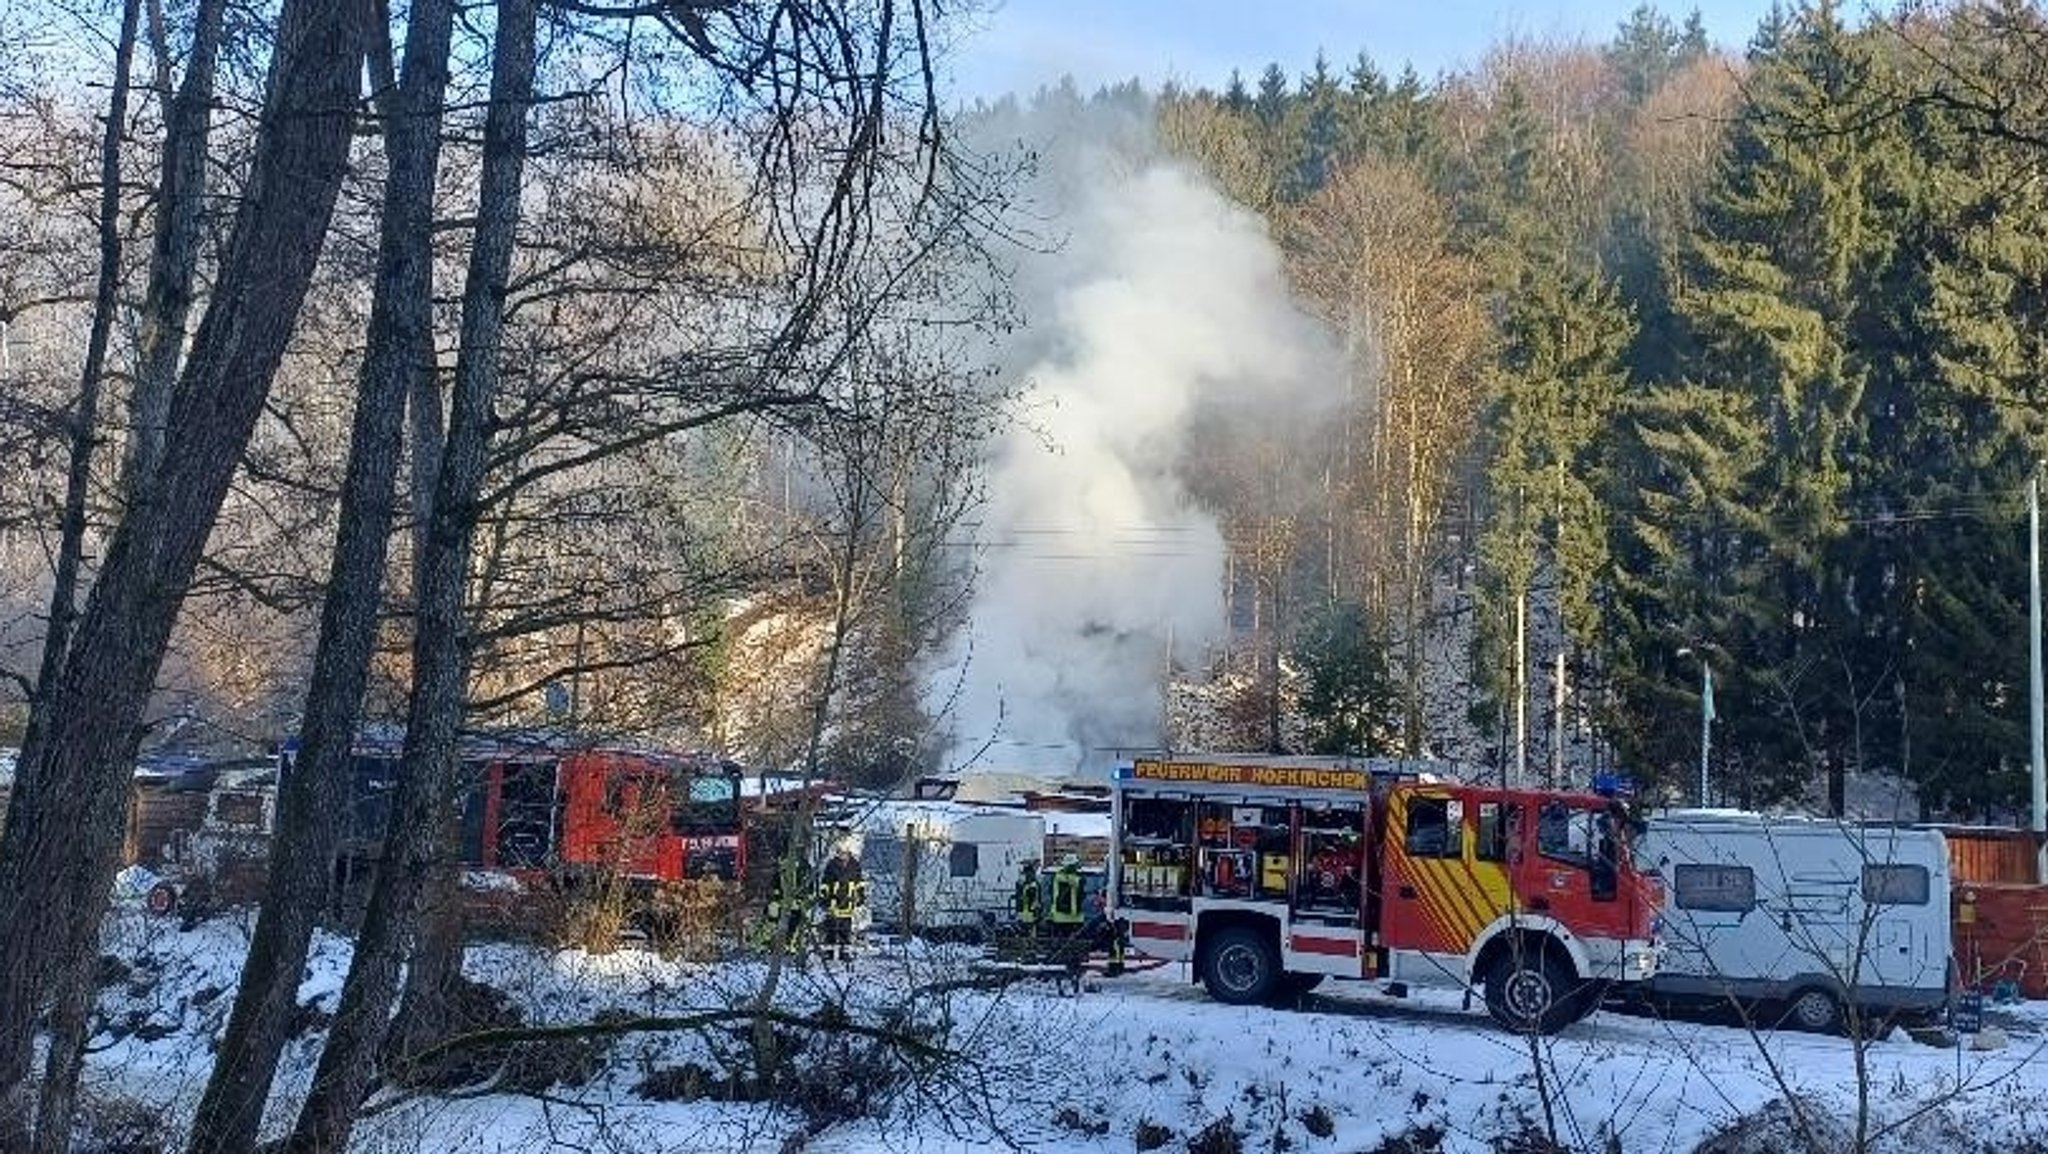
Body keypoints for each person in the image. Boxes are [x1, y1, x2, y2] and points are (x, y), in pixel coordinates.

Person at [819, 839, 866, 962]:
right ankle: (829, 953)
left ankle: (844, 954)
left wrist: (861, 896)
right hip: (833, 901)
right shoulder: (831, 865)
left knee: (846, 930)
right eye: (840, 853)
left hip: (848, 901)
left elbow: (859, 883)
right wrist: (824, 898)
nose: (843, 855)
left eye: (845, 853)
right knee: (831, 928)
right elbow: (825, 883)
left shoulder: (855, 865)